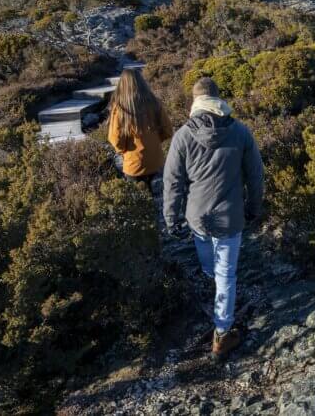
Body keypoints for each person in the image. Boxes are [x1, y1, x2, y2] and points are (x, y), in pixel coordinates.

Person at [163, 77, 264, 361]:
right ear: (219, 100)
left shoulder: (182, 136)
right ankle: (222, 333)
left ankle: (219, 303)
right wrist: (254, 208)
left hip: (197, 218)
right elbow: (256, 176)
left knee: (211, 266)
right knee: (226, 274)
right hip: (230, 217)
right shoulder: (241, 132)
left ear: (196, 103)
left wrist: (172, 220)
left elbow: (172, 182)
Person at [107, 68, 172, 182]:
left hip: (134, 164)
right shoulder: (154, 102)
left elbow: (115, 138)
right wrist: (153, 142)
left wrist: (124, 151)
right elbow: (167, 130)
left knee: (139, 198)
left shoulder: (120, 108)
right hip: (156, 161)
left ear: (123, 84)